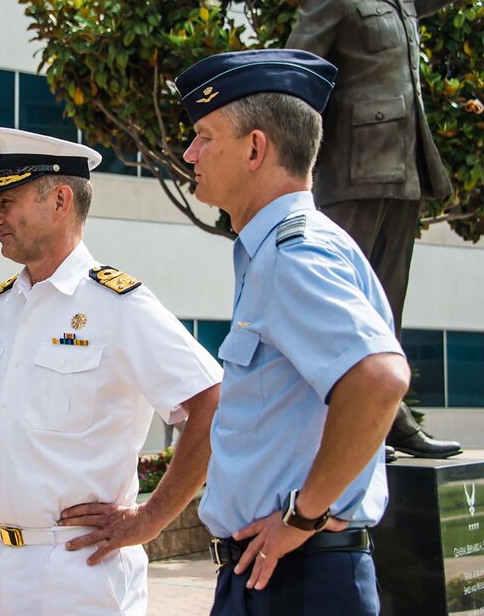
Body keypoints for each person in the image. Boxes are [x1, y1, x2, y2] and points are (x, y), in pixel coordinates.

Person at [175, 49, 412, 615]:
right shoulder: (289, 247)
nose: (189, 154)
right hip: (281, 572)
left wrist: (303, 516)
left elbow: (379, 378)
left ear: (256, 148)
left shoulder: (292, 254)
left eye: (205, 136)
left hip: (298, 578)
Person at [0, 127, 222, 616]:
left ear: (59, 200)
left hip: (76, 572)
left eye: (6, 201)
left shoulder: (119, 305)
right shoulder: (0, 306)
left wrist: (151, 519)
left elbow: (212, 402)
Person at [285, 0, 472, 458]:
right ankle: (328, 432)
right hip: (350, 175)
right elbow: (295, 80)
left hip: (403, 170)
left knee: (385, 306)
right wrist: (296, 173)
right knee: (343, 308)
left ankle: (387, 423)